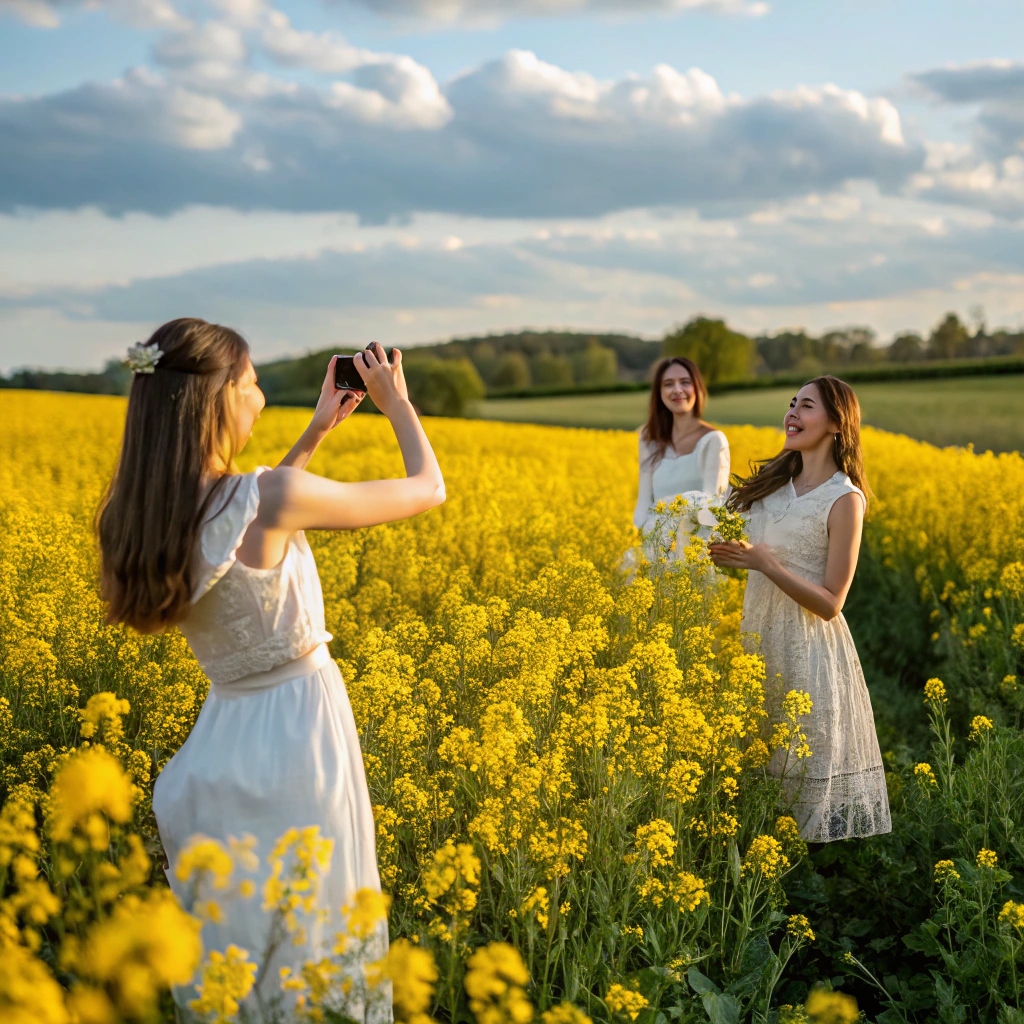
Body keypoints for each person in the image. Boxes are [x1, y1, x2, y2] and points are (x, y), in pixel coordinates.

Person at [97, 318, 445, 1016]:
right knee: (319, 938)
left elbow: (246, 525)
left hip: (218, 745)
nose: (259, 398)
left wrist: (317, 433)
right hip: (296, 740)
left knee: (246, 961)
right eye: (252, 383)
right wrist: (395, 401)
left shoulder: (142, 515)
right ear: (219, 397)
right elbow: (427, 488)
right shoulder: (269, 497)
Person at [709, 376, 890, 843]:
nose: (792, 413)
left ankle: (801, 890)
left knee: (798, 771)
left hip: (808, 648)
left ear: (835, 423)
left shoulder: (844, 499)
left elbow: (831, 603)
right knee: (755, 771)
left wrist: (766, 564)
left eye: (806, 406)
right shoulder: (772, 486)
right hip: (758, 640)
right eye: (791, 404)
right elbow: (728, 533)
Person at [633, 357, 730, 551]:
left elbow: (712, 508)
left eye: (685, 382)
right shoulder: (648, 439)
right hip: (654, 549)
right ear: (659, 393)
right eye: (668, 384)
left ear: (697, 388)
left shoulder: (713, 441)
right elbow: (644, 501)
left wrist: (689, 556)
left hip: (695, 551)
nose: (677, 390)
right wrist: (642, 546)